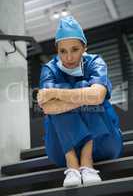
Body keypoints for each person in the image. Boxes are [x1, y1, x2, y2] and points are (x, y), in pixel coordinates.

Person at [37, 16, 123, 187]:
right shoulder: (49, 69)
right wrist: (84, 96)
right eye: (63, 51)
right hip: (61, 149)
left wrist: (56, 93)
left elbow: (97, 96)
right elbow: (48, 108)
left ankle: (86, 161)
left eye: (75, 49)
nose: (69, 57)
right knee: (84, 90)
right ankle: (73, 165)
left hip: (104, 142)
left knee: (84, 89)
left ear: (85, 47)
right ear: (57, 51)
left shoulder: (95, 62)